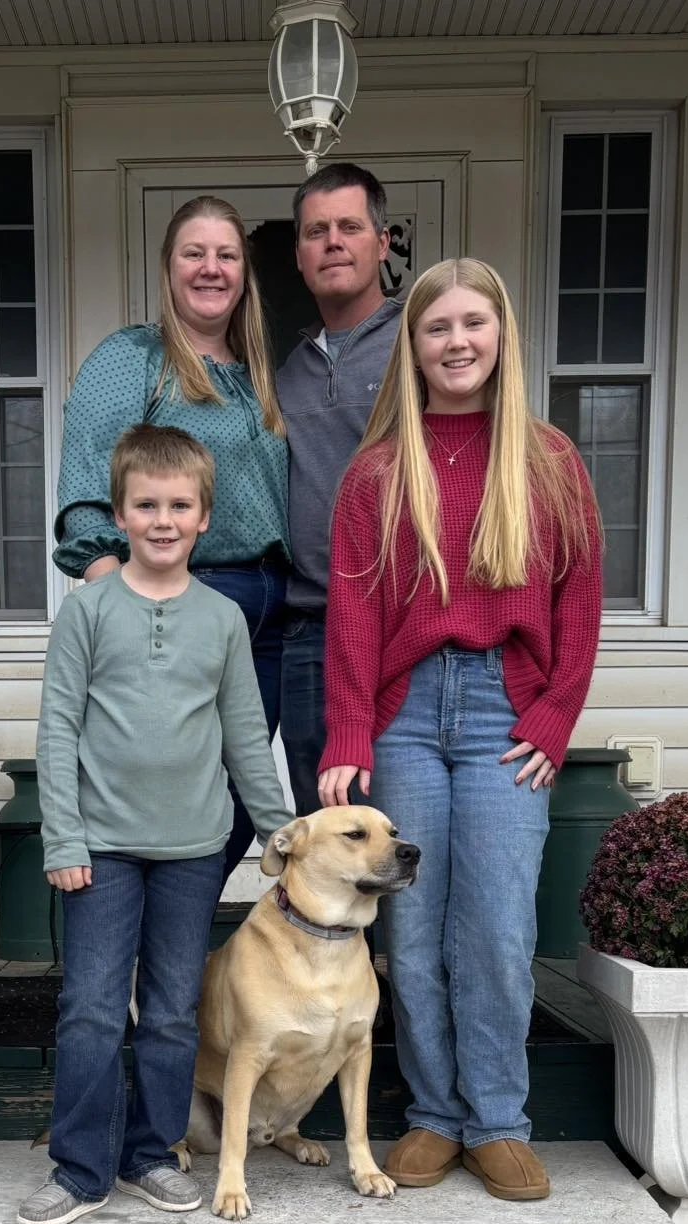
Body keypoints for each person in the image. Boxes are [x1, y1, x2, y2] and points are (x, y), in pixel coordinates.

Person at [317, 259, 603, 1202]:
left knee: (493, 926)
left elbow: (580, 599)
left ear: (501, 336)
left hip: (504, 713)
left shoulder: (551, 462)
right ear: (414, 345)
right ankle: (435, 1113)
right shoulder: (376, 474)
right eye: (438, 327)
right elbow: (353, 620)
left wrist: (556, 714)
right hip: (403, 718)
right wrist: (348, 736)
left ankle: (499, 1120)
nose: (458, 342)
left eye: (474, 323)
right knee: (413, 924)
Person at [20, 424, 291, 1224]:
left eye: (179, 505)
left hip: (194, 850)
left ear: (205, 516)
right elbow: (56, 730)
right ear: (120, 513)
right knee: (93, 1007)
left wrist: (279, 832)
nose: (163, 519)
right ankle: (78, 1168)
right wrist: (62, 837)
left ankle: (150, 1152)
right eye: (147, 504)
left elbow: (246, 735)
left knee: (174, 1009)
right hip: (99, 848)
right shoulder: (88, 610)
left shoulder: (222, 620)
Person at [54, 196, 289, 882]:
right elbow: (84, 488)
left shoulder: (257, 374)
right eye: (194, 252)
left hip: (273, 610)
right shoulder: (133, 358)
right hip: (184, 591)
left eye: (226, 254)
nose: (210, 268)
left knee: (236, 794)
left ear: (244, 272)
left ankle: (174, 963)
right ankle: (135, 961)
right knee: (165, 787)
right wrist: (124, 600)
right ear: (168, 267)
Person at [276, 163, 402, 816]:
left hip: (401, 627)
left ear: (383, 243)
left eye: (350, 226)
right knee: (327, 836)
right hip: (309, 633)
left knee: (399, 833)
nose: (332, 241)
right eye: (315, 231)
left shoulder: (419, 345)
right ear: (298, 255)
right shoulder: (289, 372)